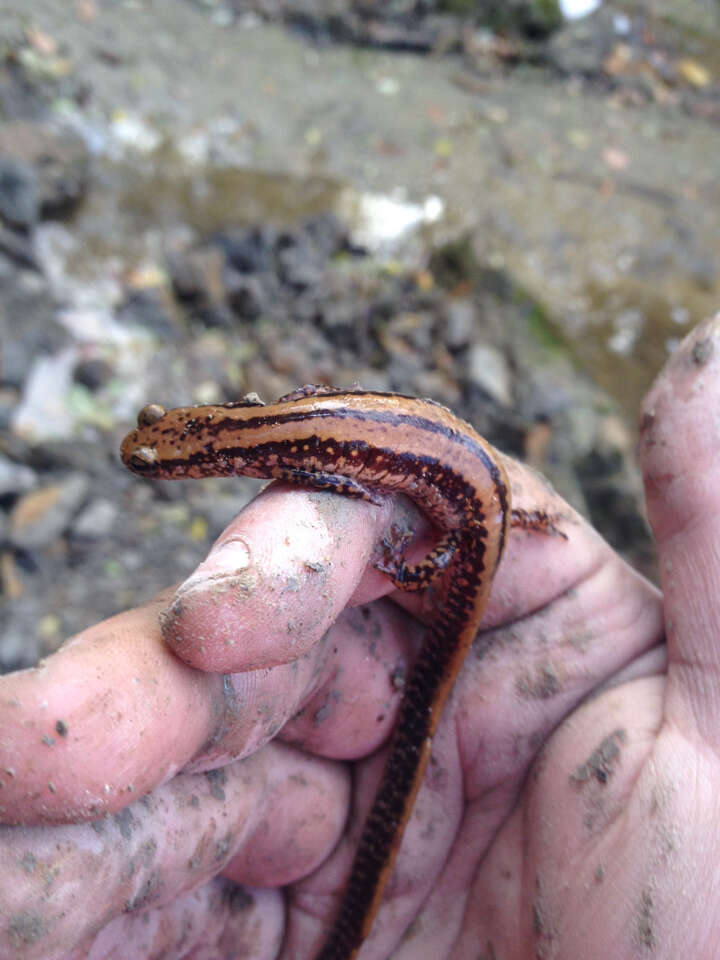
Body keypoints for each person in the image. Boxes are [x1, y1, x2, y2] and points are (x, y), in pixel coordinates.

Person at [1, 315, 718, 960]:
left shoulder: (294, 456)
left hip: (469, 511)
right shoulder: (264, 420)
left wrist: (428, 559)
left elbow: (361, 492)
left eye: (160, 458)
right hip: (472, 483)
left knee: (396, 669)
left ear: (200, 461)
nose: (155, 452)